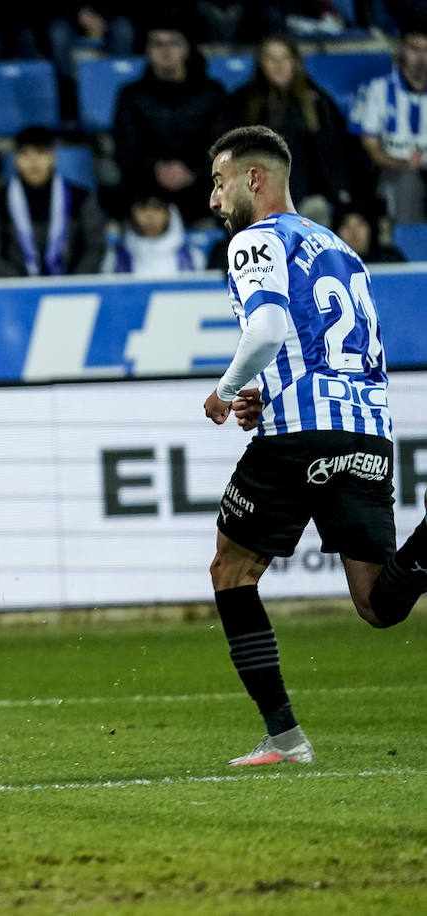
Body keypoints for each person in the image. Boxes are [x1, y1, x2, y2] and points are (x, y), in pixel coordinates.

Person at [202, 126, 427, 768]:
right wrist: (265, 391)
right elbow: (331, 346)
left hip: (300, 435)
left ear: (254, 179)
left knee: (232, 571)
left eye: (220, 183)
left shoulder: (255, 239)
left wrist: (227, 390)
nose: (214, 200)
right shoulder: (341, 249)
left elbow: (270, 328)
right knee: (378, 603)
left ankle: (285, 738)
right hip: (367, 430)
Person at [112, 22, 230, 223]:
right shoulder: (130, 94)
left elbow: (222, 144)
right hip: (147, 184)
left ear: (186, 49)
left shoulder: (212, 92)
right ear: (147, 51)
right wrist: (157, 168)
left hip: (201, 184)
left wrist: (192, 171)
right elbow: (125, 148)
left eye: (174, 43)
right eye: (157, 44)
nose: (166, 51)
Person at [231, 34, 360, 212]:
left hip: (312, 195)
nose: (279, 65)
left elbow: (336, 153)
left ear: (295, 62)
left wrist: (339, 194)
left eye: (285, 57)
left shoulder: (317, 101)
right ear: (261, 63)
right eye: (271, 58)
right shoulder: (242, 102)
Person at [0, 126, 107, 278]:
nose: (33, 161)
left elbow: (95, 247)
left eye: (40, 152)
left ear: (53, 157)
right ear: (15, 159)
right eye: (25, 154)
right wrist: (24, 290)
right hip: (15, 295)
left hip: (73, 292)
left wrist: (72, 284)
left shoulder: (81, 198)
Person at [349, 28, 427, 223]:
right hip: (392, 169)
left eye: (426, 51)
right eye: (414, 49)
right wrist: (403, 164)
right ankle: (408, 249)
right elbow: (371, 147)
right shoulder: (377, 89)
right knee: (407, 182)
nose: (421, 58)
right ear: (401, 49)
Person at [104, 188, 204, 276]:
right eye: (142, 208)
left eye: (157, 208)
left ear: (169, 214)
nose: (149, 215)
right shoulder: (113, 259)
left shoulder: (194, 258)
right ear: (132, 214)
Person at [334, 201, 408, 264]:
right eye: (346, 226)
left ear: (371, 229)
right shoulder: (329, 263)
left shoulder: (391, 260)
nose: (354, 232)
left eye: (360, 224)